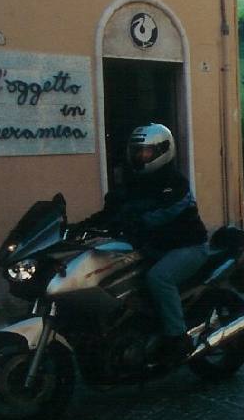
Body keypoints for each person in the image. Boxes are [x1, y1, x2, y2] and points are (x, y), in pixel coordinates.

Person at [88, 123, 208, 359]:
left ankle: (177, 337)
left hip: (187, 246)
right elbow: (113, 209)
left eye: (146, 152)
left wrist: (136, 222)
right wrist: (83, 225)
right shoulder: (131, 182)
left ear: (163, 150)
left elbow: (165, 213)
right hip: (152, 248)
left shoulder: (175, 183)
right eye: (137, 152)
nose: (140, 157)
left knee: (159, 278)